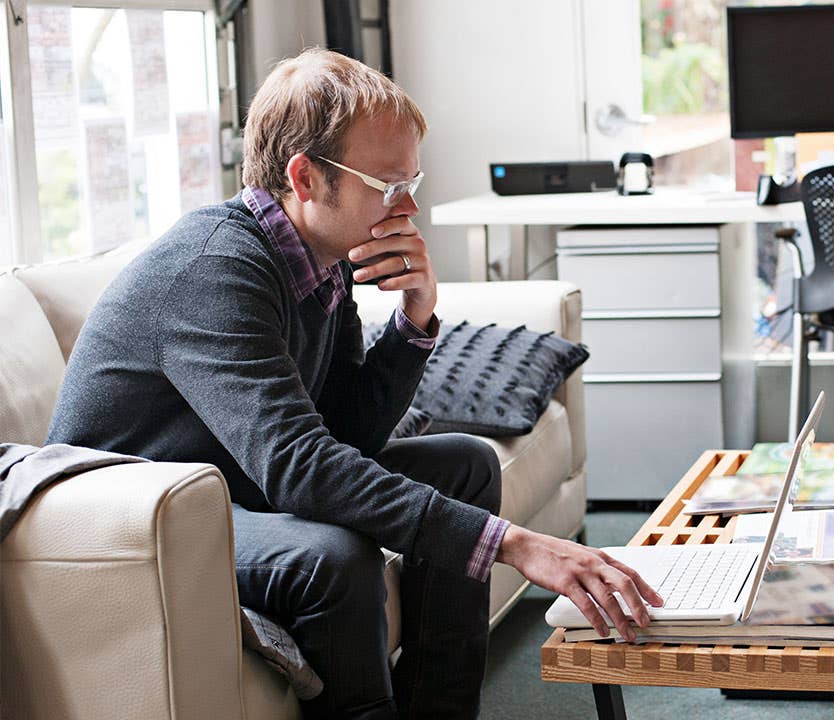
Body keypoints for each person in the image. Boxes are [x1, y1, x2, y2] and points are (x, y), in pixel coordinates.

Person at [45, 48, 659, 720]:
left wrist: (414, 321)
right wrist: (513, 542)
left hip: (233, 483)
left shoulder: (323, 259)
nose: (411, 204)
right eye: (390, 183)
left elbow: (347, 433)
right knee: (331, 559)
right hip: (132, 523)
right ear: (305, 178)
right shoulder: (213, 271)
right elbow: (300, 467)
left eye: (411, 180)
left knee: (466, 464)